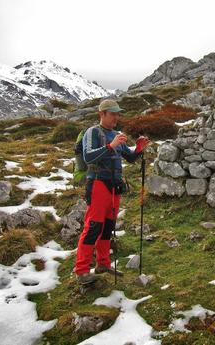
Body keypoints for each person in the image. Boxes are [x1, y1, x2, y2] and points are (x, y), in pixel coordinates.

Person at [74, 99, 150, 284]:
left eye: (118, 113)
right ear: (102, 114)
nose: (117, 117)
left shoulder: (117, 134)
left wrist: (138, 149)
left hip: (115, 187)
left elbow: (129, 157)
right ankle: (82, 271)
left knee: (108, 226)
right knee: (93, 226)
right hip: (98, 183)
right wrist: (111, 146)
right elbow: (88, 156)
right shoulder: (93, 132)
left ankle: (103, 264)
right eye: (113, 113)